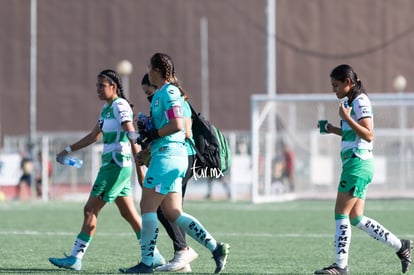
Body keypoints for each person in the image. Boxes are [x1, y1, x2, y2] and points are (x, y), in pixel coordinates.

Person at [120, 53, 230, 274]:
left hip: (168, 158)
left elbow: (178, 125)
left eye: (150, 67)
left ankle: (147, 262)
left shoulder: (169, 92)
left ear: (158, 71)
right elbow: (168, 131)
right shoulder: (165, 93)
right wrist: (148, 146)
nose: (148, 71)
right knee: (173, 211)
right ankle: (215, 248)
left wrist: (153, 131)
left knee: (147, 207)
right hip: (171, 156)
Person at [48, 69, 165, 271]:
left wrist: (140, 169)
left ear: (114, 86)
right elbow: (94, 136)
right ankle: (154, 255)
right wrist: (67, 150)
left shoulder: (120, 106)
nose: (98, 89)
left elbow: (132, 136)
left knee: (90, 210)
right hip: (114, 167)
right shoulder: (107, 108)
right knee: (129, 215)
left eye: (101, 85)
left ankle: (76, 258)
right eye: (96, 86)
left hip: (115, 167)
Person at [314, 64, 412, 275]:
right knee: (356, 217)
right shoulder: (351, 101)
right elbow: (355, 133)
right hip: (358, 164)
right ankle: (401, 246)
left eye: (336, 85)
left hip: (357, 164)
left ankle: (340, 267)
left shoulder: (360, 101)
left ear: (348, 82)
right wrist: (334, 130)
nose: (334, 90)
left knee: (341, 213)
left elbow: (368, 134)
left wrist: (347, 118)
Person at [140, 73, 198, 272]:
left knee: (168, 209)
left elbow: (186, 131)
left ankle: (185, 250)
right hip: (173, 155)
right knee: (168, 209)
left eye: (149, 92)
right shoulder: (162, 102)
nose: (149, 98)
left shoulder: (174, 99)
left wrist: (154, 137)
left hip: (180, 155)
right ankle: (183, 255)